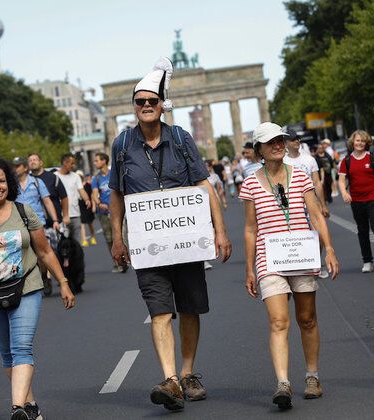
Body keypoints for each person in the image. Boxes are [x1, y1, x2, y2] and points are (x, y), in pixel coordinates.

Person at [109, 57, 232, 411]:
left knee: (190, 309)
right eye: (140, 102)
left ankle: (188, 371)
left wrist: (220, 231)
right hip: (148, 246)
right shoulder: (121, 145)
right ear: (133, 106)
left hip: (188, 241)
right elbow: (116, 193)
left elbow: (203, 185)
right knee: (160, 311)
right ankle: (171, 379)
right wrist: (118, 237)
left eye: (152, 101)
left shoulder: (180, 138)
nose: (146, 107)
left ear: (163, 105)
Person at [0, 157, 76, 420]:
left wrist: (63, 282)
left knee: (21, 348)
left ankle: (16, 409)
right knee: (7, 354)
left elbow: (44, 251)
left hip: (27, 288)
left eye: (2, 181)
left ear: (8, 184)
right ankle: (29, 406)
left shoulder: (24, 212)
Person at [241, 122, 339, 409]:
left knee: (307, 319)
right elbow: (249, 229)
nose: (278, 145)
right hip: (269, 258)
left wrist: (329, 248)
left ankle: (312, 375)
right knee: (278, 321)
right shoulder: (249, 183)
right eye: (271, 141)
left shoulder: (300, 176)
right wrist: (249, 268)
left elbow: (317, 214)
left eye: (280, 140)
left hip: (303, 255)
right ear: (259, 148)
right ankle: (283, 382)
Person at [338, 130, 374, 273]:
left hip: (373, 198)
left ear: (367, 143)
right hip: (356, 200)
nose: (360, 143)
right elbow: (341, 180)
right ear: (353, 142)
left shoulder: (372, 158)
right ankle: (367, 261)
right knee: (362, 230)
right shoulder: (347, 161)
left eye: (363, 141)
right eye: (358, 141)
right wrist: (344, 192)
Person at [13, 156, 61, 297]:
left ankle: (45, 278)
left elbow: (47, 201)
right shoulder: (11, 185)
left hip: (37, 223)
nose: (15, 169)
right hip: (19, 225)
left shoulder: (36, 182)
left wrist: (55, 220)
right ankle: (30, 283)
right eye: (14, 166)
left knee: (41, 254)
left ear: (25, 168)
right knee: (24, 255)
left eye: (18, 166)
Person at [284, 133, 330, 279]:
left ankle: (317, 264)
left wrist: (323, 204)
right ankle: (301, 264)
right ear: (286, 143)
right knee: (296, 235)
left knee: (318, 233)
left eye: (298, 139)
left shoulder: (309, 159)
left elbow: (316, 183)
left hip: (310, 202)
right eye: (293, 140)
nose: (297, 141)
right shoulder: (282, 161)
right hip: (291, 205)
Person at [91, 152, 125, 273]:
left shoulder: (113, 174)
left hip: (119, 210)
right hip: (105, 212)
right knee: (109, 238)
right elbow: (94, 193)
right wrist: (99, 203)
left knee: (123, 234)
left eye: (97, 160)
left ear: (104, 161)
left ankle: (125, 258)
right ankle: (117, 262)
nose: (95, 163)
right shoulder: (96, 178)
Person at [55, 154, 92, 243]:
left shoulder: (75, 176)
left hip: (75, 215)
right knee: (63, 244)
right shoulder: (55, 176)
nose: (73, 165)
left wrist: (87, 200)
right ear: (65, 163)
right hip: (61, 216)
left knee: (76, 243)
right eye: (72, 163)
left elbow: (81, 190)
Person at [79, 172, 97, 247]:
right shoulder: (77, 186)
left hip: (88, 206)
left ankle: (93, 237)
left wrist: (93, 206)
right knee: (82, 224)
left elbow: (92, 195)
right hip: (80, 206)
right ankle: (84, 240)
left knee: (90, 223)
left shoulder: (88, 185)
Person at [315, 140, 335, 204]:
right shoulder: (316, 157)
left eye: (321, 148)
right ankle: (325, 198)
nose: (320, 149)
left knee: (329, 185)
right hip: (320, 174)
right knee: (323, 187)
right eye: (319, 148)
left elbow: (331, 161)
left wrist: (333, 168)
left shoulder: (327, 154)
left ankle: (329, 196)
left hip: (328, 173)